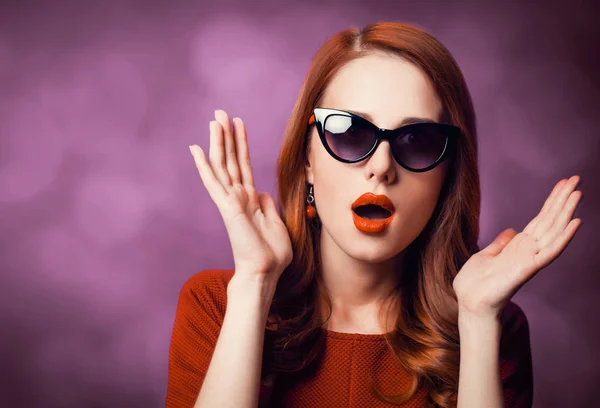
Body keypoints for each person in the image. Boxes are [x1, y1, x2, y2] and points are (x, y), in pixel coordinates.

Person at [166, 21, 583, 408]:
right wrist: (255, 285)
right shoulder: (218, 306)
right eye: (350, 132)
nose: (382, 166)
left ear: (447, 175)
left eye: (417, 139)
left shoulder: (492, 320)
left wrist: (477, 321)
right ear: (307, 158)